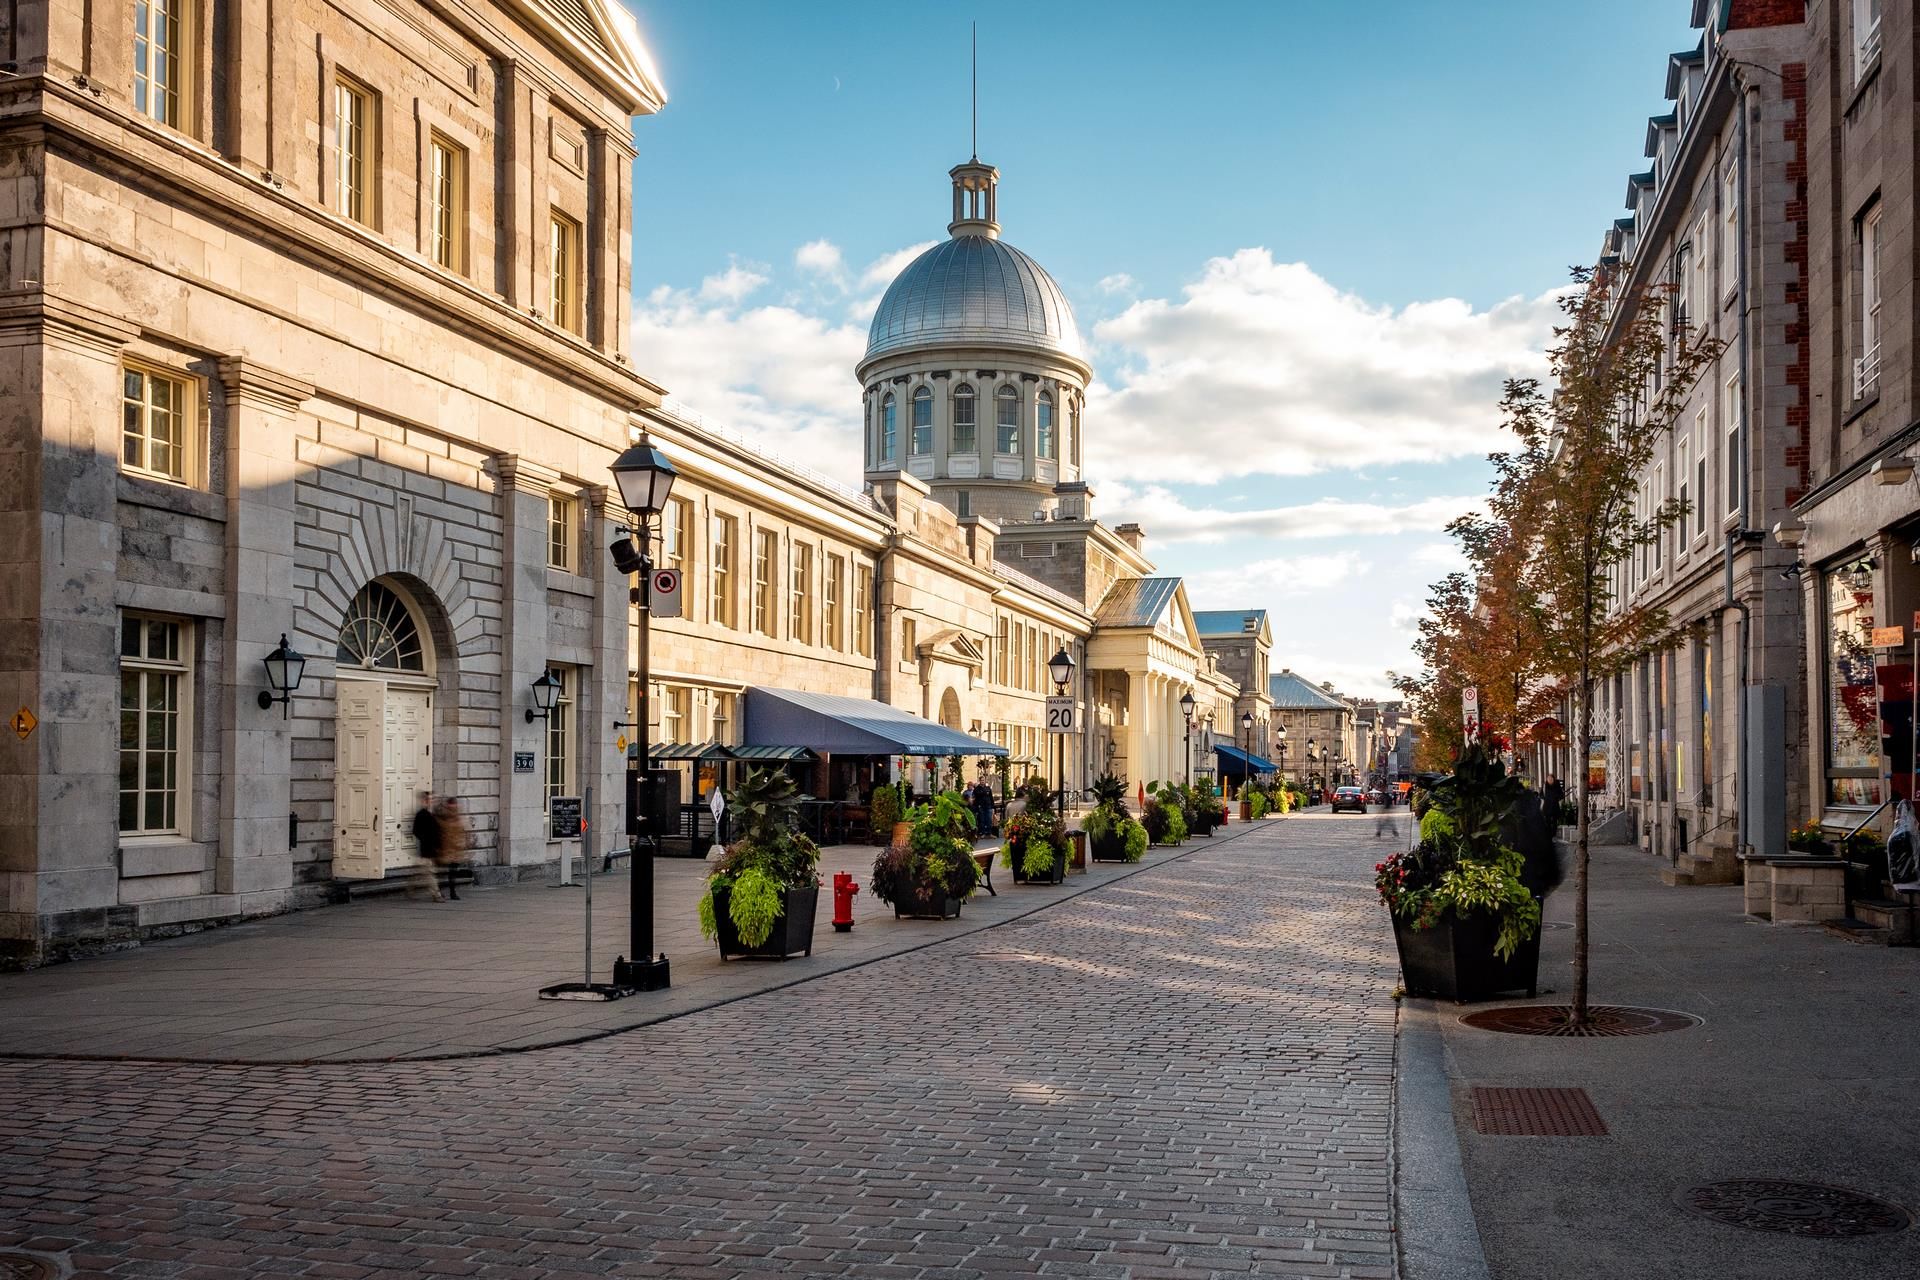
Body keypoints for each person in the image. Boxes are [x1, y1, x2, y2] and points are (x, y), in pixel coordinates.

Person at [432, 795, 470, 901]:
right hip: (446, 849)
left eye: (454, 804)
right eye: (452, 804)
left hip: (454, 849)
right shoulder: (446, 817)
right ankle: (446, 892)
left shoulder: (455, 817)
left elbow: (464, 832)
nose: (454, 806)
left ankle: (450, 892)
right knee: (445, 872)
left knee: (451, 872)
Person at [411, 791, 444, 901]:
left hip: (433, 849)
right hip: (427, 849)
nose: (432, 801)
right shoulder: (421, 814)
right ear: (424, 801)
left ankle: (410, 889)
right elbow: (416, 831)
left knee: (420, 872)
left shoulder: (433, 814)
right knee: (430, 874)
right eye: (430, 799)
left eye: (433, 799)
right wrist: (426, 839)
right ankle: (436, 895)